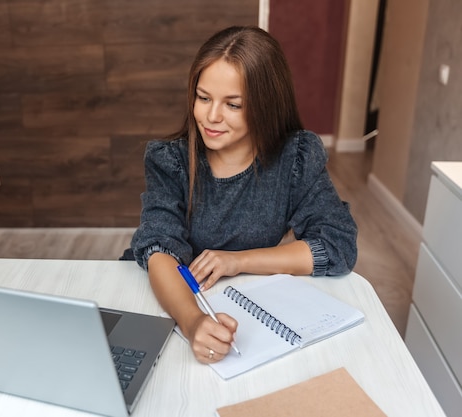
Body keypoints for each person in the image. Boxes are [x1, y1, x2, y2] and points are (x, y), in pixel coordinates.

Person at [128, 26, 358, 364]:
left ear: (266, 105)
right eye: (203, 97)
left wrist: (237, 260)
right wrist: (194, 323)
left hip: (251, 304)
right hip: (175, 303)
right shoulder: (172, 160)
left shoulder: (296, 158)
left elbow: (336, 246)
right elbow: (159, 250)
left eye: (233, 105)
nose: (211, 116)